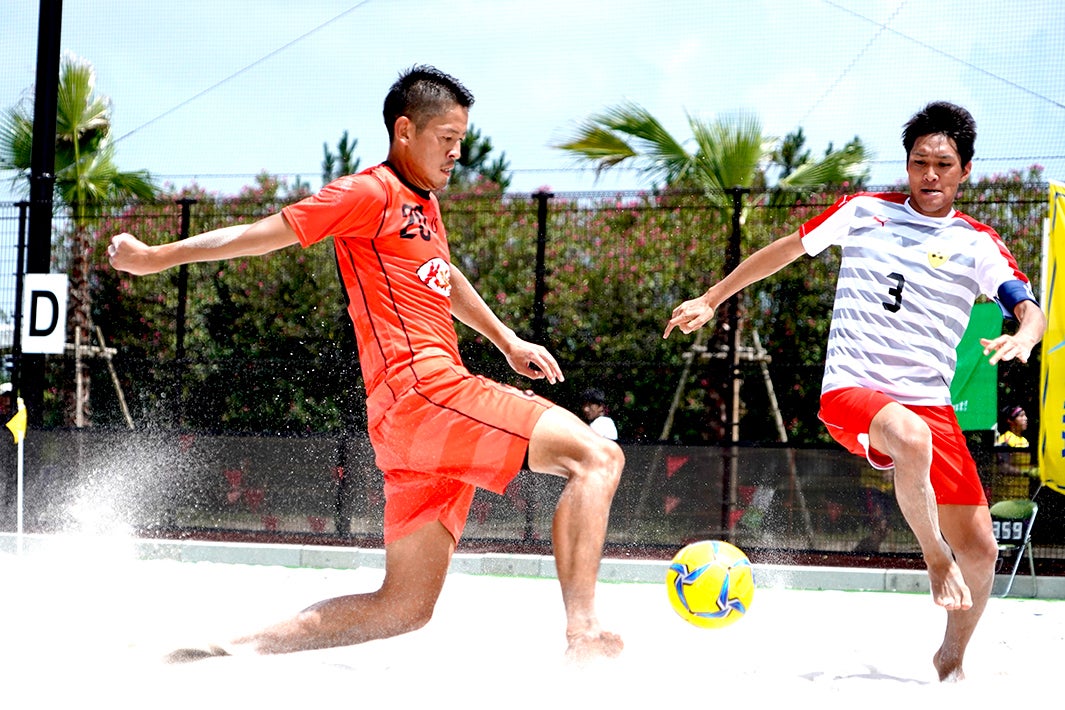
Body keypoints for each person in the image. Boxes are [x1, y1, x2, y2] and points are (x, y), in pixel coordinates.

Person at [108, 65, 624, 663]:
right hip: (426, 392)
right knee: (597, 457)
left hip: (408, 425)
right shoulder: (368, 192)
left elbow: (442, 275)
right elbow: (261, 232)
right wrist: (155, 257)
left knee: (403, 607)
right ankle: (583, 635)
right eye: (447, 138)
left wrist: (507, 341)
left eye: (461, 139)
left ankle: (223, 649)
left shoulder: (423, 204)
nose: (457, 152)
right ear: (405, 131)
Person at [664, 101, 1046, 682]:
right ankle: (934, 558)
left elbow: (1028, 308)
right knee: (910, 440)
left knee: (981, 550)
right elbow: (784, 250)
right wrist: (711, 298)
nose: (930, 175)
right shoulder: (865, 211)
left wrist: (1024, 336)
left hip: (930, 405)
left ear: (965, 170)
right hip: (852, 391)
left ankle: (950, 660)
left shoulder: (978, 243)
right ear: (907, 164)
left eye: (943, 164)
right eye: (919, 162)